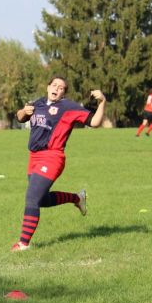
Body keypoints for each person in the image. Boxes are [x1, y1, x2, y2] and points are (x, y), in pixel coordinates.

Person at [12, 76, 106, 251]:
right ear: (48, 87)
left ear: (63, 93)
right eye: (54, 85)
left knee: (32, 198)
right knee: (41, 200)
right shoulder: (38, 103)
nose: (57, 88)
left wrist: (102, 102)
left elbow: (94, 122)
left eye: (61, 87)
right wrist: (24, 111)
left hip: (52, 157)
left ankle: (23, 244)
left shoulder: (68, 107)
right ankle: (77, 198)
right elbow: (19, 117)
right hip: (34, 157)